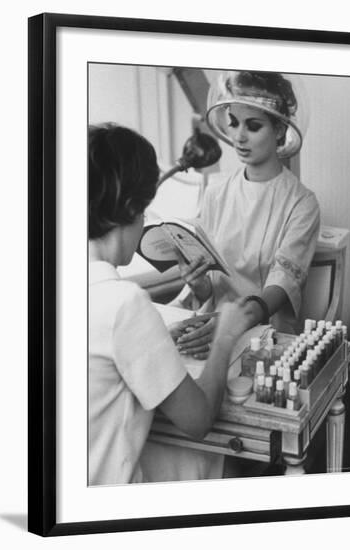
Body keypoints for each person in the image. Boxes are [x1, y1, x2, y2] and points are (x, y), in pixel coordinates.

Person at [88, 123, 250, 486]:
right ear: (131, 209)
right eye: (144, 209)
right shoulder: (123, 302)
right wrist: (225, 336)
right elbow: (198, 420)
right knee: (223, 464)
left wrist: (158, 335)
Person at [175, 71, 320, 359]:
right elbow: (211, 284)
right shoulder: (217, 192)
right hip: (211, 329)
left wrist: (233, 324)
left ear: (279, 130)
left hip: (265, 339)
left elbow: (282, 285)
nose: (239, 136)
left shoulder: (302, 204)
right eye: (233, 123)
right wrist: (200, 285)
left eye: (253, 126)